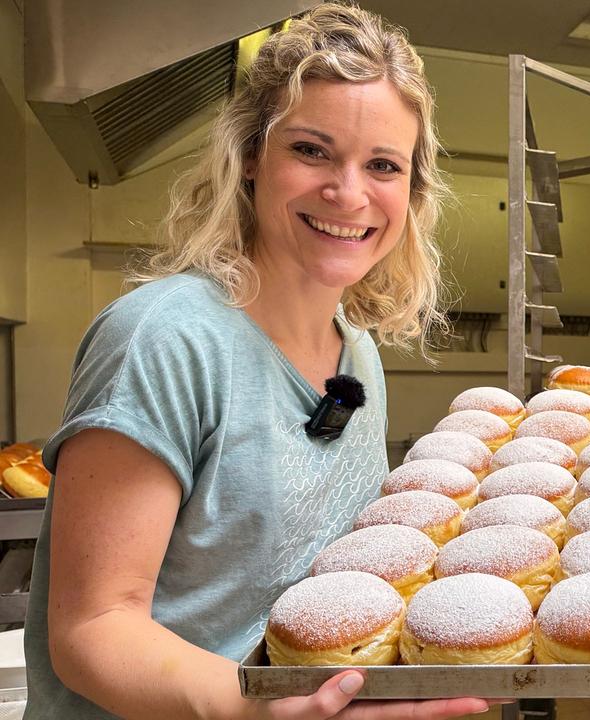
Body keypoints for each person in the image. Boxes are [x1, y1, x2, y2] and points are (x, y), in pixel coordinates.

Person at [23, 4, 496, 719]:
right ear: (251, 157)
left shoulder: (356, 354)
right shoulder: (166, 337)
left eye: (382, 165)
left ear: (412, 192)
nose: (347, 193)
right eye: (311, 150)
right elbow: (92, 631)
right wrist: (257, 711)